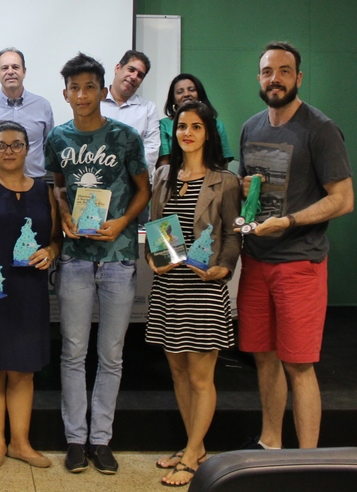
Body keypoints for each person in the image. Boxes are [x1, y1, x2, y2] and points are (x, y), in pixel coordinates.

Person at [237, 41, 353, 450]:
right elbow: (248, 190)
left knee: (299, 365)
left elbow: (343, 198)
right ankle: (271, 444)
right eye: (268, 71)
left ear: (298, 78)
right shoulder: (251, 127)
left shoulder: (320, 128)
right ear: (259, 77)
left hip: (299, 264)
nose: (276, 78)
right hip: (256, 261)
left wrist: (289, 221)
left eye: (285, 71)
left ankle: (308, 460)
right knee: (264, 358)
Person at [44, 53, 150, 475]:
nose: (82, 95)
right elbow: (57, 186)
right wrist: (65, 214)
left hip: (118, 258)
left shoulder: (125, 137)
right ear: (65, 93)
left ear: (104, 91)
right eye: (75, 88)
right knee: (72, 352)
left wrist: (122, 222)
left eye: (90, 87)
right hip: (73, 260)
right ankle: (74, 439)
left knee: (111, 354)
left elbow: (142, 190)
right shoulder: (57, 138)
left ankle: (101, 439)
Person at [145, 101, 241, 486]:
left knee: (201, 377)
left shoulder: (225, 180)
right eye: (182, 126)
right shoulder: (165, 174)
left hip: (203, 287)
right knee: (178, 372)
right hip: (169, 286)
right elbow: (155, 226)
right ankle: (194, 447)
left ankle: (193, 455)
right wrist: (153, 258)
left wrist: (226, 266)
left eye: (196, 127)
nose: (187, 133)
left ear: (207, 133)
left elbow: (233, 233)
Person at [0, 121, 62, 470]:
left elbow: (56, 239)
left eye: (16, 144)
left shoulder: (43, 191)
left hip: (29, 291)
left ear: (27, 148)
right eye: (1, 145)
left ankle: (21, 442)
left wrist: (50, 251)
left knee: (23, 370)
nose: (8, 151)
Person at [0, 48, 54, 178]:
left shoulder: (43, 106)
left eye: (15, 67)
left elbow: (47, 145)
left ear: (24, 72)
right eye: (5, 68)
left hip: (34, 183)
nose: (10, 72)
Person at [100, 50, 160, 174]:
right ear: (118, 68)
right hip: (96, 180)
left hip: (133, 184)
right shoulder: (95, 102)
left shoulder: (148, 108)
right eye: (131, 70)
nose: (134, 77)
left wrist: (127, 176)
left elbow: (151, 150)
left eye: (140, 75)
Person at [157, 74, 233, 168]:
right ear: (173, 99)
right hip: (175, 177)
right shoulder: (164, 125)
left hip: (211, 178)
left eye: (192, 90)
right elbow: (163, 163)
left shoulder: (216, 124)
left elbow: (222, 161)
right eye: (180, 92)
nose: (186, 94)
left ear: (200, 94)